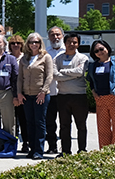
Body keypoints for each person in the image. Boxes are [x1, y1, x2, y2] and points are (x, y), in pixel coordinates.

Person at [16, 32, 53, 160]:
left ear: (40, 43)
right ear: (28, 44)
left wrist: (43, 92)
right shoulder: (24, 59)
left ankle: (39, 150)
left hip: (40, 95)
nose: (34, 44)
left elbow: (49, 76)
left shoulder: (46, 57)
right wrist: (19, 93)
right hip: (26, 95)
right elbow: (20, 78)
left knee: (40, 123)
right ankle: (32, 149)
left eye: (36, 42)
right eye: (31, 42)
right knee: (29, 123)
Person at [52, 33, 89, 155]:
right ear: (65, 43)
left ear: (78, 44)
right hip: (63, 96)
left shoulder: (83, 58)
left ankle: (82, 150)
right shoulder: (57, 58)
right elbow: (55, 75)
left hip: (79, 96)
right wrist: (71, 75)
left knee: (81, 125)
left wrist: (63, 72)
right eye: (69, 42)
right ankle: (65, 151)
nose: (72, 44)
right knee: (64, 125)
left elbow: (80, 71)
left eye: (74, 42)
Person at [43, 26, 64, 154]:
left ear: (62, 35)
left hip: (64, 92)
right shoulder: (45, 53)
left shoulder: (68, 51)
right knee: (50, 122)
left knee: (65, 122)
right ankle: (52, 146)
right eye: (52, 35)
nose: (55, 37)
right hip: (50, 92)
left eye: (58, 34)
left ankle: (65, 147)